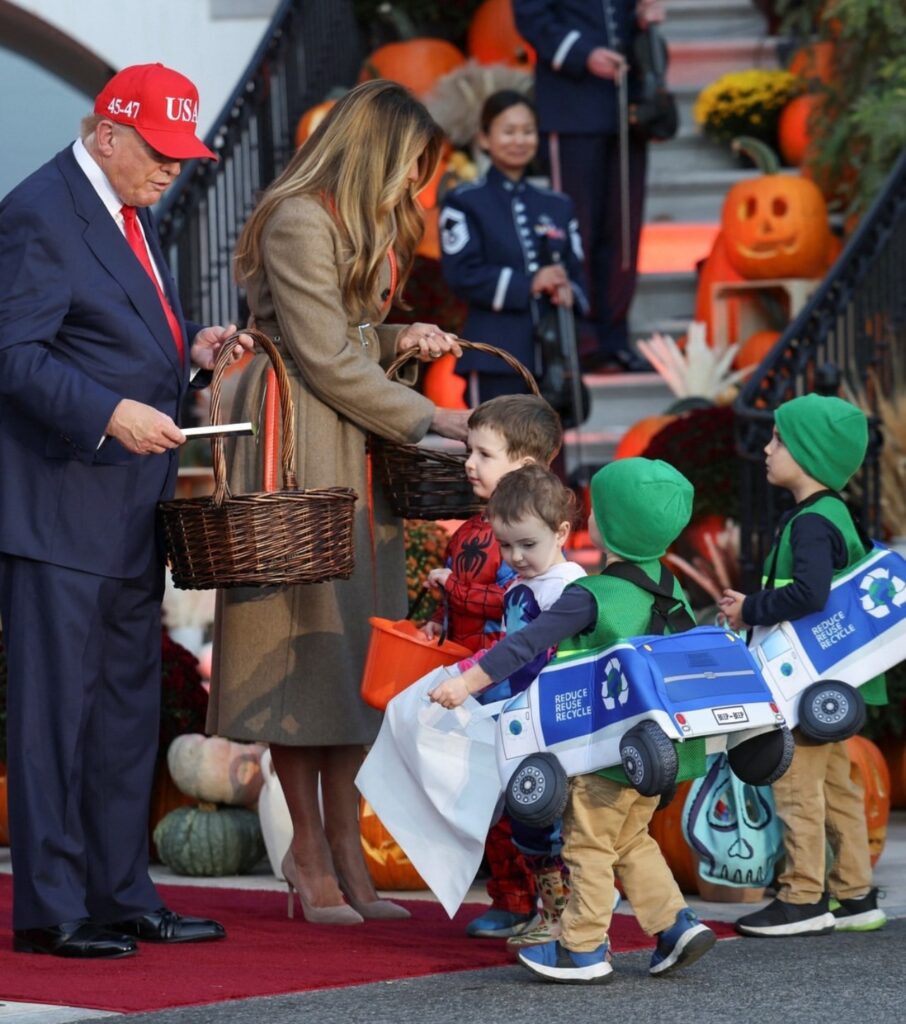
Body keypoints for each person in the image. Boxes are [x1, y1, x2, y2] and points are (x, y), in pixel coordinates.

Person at [0, 62, 250, 958]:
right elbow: (13, 356)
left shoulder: (128, 212)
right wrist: (107, 412)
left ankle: (118, 892)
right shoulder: (38, 211)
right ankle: (52, 908)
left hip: (123, 508)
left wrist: (188, 363)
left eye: (181, 156)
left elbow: (108, 346)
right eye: (158, 152)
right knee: (56, 717)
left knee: (121, 714)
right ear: (108, 132)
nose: (171, 170)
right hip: (59, 511)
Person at [206, 81, 470, 926]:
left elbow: (347, 339)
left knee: (354, 644)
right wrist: (433, 418)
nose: (416, 185)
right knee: (302, 636)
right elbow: (319, 354)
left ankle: (344, 843)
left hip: (348, 431)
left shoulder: (360, 222)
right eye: (409, 166)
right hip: (295, 437)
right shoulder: (298, 217)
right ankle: (309, 850)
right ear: (373, 151)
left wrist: (401, 339)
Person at [430, 458, 717, 984]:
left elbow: (525, 644)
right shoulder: (669, 589)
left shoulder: (590, 595)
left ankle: (581, 949)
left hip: (603, 751)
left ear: (604, 526)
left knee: (585, 846)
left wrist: (465, 683)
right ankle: (675, 925)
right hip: (657, 751)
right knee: (629, 841)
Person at [719, 394, 888, 938]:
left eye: (779, 440)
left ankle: (802, 897)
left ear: (810, 455)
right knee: (837, 786)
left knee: (796, 785)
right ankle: (855, 893)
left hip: (805, 682)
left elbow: (810, 595)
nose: (767, 449)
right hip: (834, 684)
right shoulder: (832, 514)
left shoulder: (813, 522)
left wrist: (750, 608)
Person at [421, 394, 563, 938]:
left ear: (524, 466)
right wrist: (439, 618)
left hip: (511, 688)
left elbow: (516, 600)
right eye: (468, 451)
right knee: (488, 801)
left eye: (482, 453)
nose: (469, 464)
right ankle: (509, 897)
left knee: (521, 801)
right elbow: (461, 600)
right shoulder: (472, 530)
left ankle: (542, 903)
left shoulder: (528, 539)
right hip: (472, 683)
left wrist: (453, 586)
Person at [514, 0, 666, 372]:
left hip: (629, 109)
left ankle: (615, 337)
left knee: (623, 234)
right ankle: (580, 341)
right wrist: (583, 55)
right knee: (574, 230)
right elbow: (531, 17)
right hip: (572, 106)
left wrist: (646, 17)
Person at [480, 463, 587, 949]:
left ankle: (564, 917)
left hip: (553, 727)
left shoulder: (566, 589)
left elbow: (541, 655)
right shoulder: (525, 583)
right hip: (521, 722)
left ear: (561, 532)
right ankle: (551, 911)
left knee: (548, 823)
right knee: (527, 820)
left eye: (527, 544)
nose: (515, 557)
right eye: (506, 545)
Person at [439, 90, 587, 407]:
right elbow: (462, 274)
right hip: (494, 354)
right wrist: (529, 283)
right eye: (508, 131)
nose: (519, 140)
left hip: (555, 358)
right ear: (483, 139)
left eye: (528, 131)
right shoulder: (464, 201)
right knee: (498, 451)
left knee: (550, 455)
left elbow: (578, 274)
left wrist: (569, 290)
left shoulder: (558, 205)